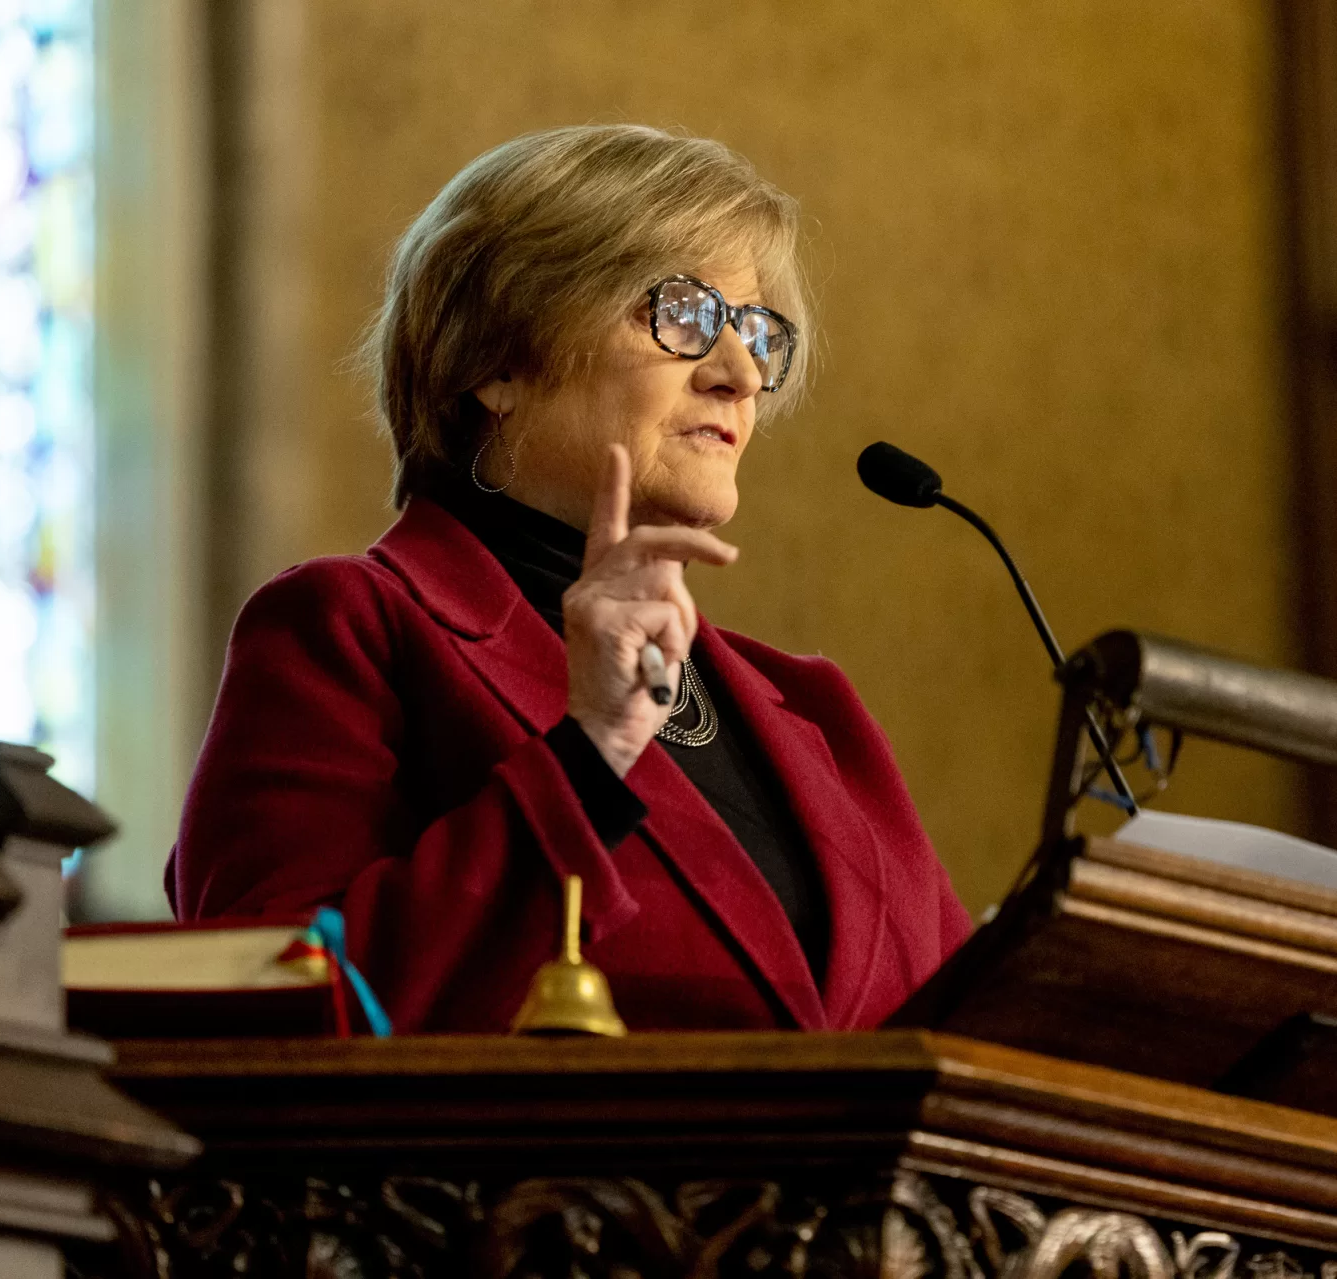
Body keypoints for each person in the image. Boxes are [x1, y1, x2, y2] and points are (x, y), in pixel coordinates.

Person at [168, 125, 973, 1033]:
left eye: (754, 331)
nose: (741, 374)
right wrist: (587, 756)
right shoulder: (351, 631)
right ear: (495, 361)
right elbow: (268, 1010)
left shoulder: (820, 717)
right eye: (683, 313)